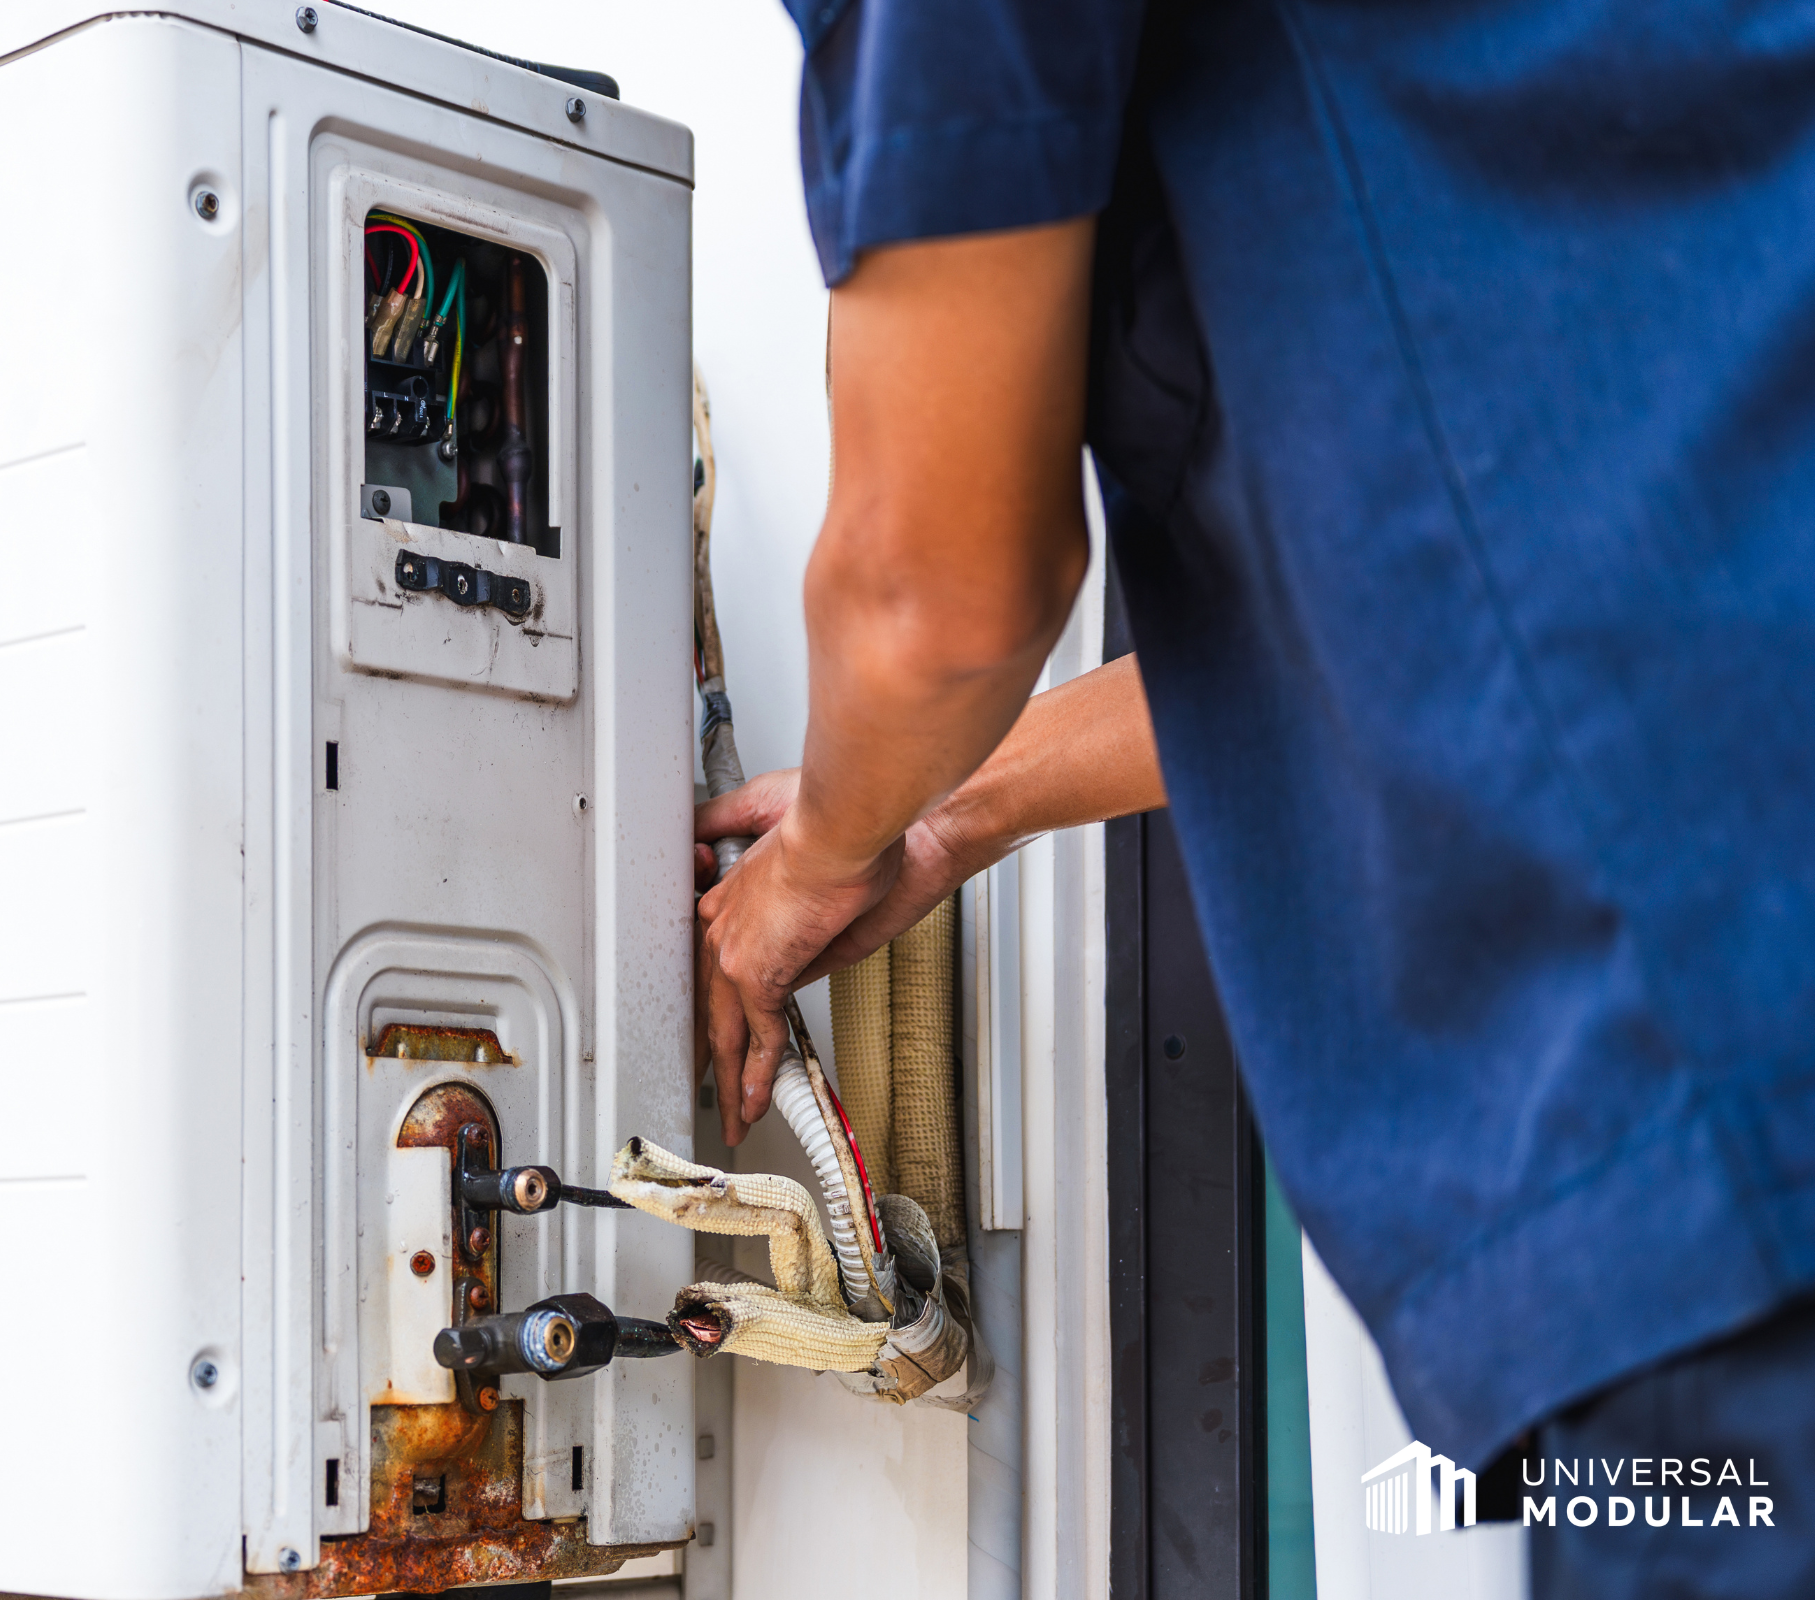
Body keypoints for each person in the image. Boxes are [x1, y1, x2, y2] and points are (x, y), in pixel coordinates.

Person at [690, 0, 1815, 1593]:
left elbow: (934, 593)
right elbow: (1464, 580)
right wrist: (945, 817)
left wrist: (816, 856)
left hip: (1716, 1093)